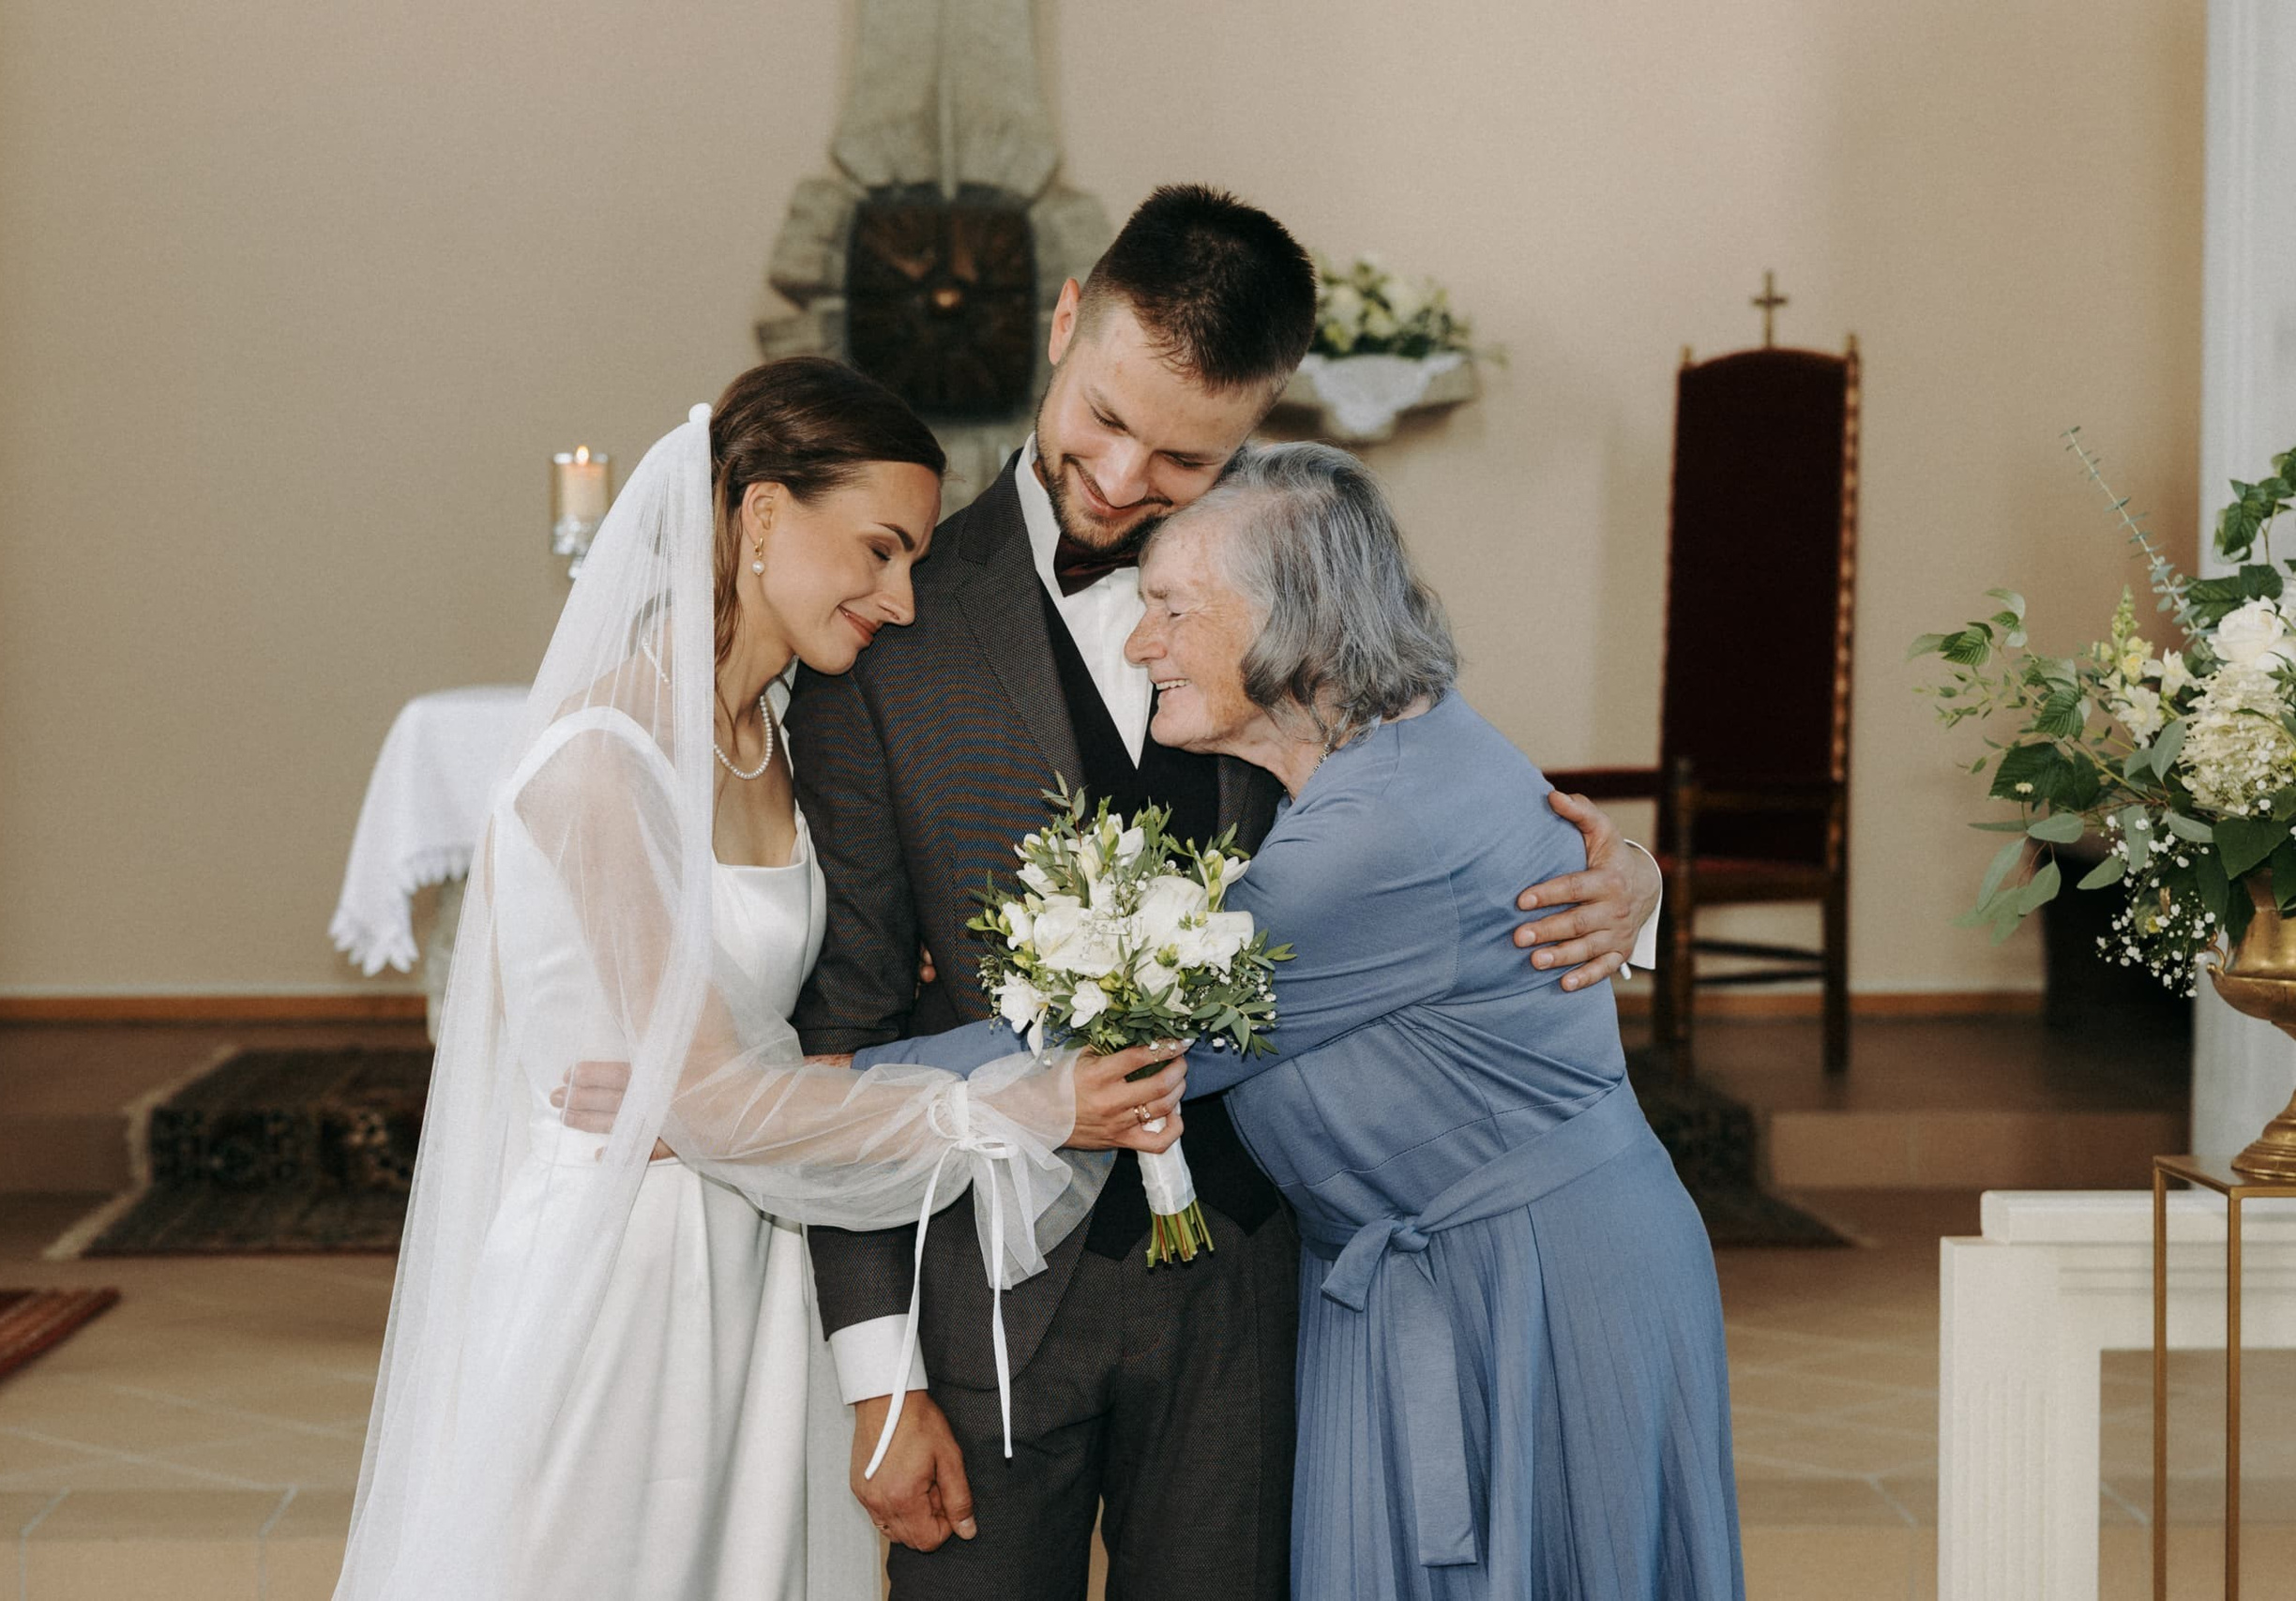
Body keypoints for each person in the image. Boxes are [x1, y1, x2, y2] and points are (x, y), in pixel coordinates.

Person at [784, 185, 1668, 1599]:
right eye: (1106, 418)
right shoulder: (888, 627)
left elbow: (1440, 797)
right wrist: (879, 1374)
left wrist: (1628, 880)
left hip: (1264, 1286)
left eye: (1185, 455)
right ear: (1067, 321)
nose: (1126, 476)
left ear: (1255, 425)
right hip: (987, 1300)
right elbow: (849, 1004)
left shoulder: (1298, 582)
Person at [332, 357, 1188, 1601]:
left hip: (766, 1248)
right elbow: (718, 1103)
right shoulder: (601, 764)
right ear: (763, 515)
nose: (902, 600)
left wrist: (762, 1088)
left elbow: (752, 1070)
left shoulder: (784, 736)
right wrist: (1023, 1103)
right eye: (880, 550)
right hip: (622, 1278)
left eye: (915, 562)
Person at [1133, 444, 1742, 1599]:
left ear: (1297, 628)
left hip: (1531, 1292)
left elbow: (1138, 1045)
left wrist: (824, 1091)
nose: (1139, 641)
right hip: (1473, 1275)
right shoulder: (1413, 743)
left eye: (1170, 608)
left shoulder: (1373, 833)